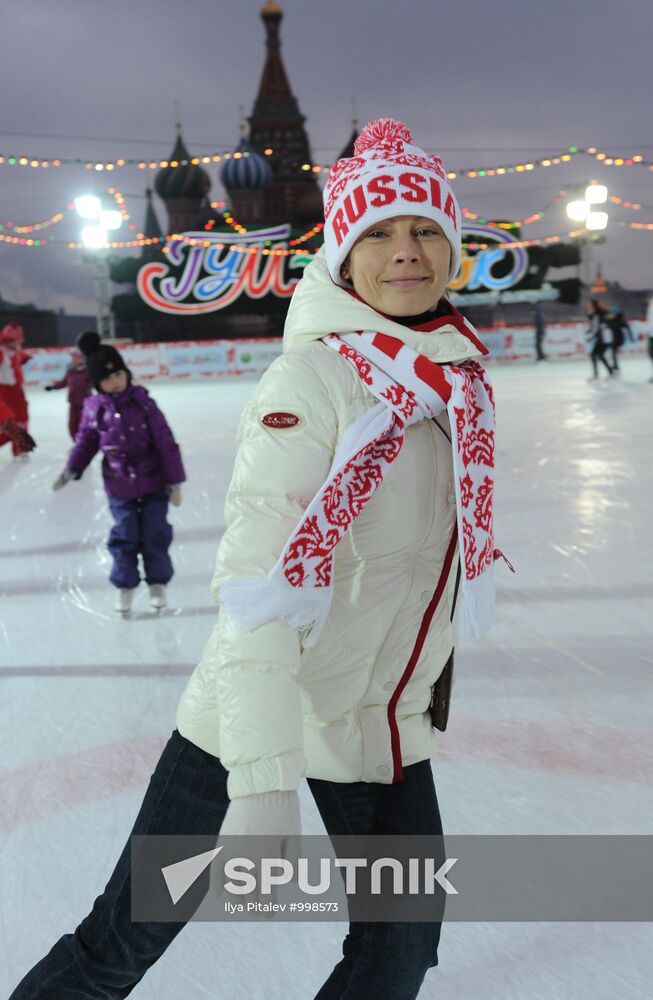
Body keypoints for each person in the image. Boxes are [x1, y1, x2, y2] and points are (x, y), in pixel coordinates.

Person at [10, 119, 502, 1000]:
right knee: (121, 944)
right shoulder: (310, 383)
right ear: (343, 257)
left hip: (375, 725)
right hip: (248, 716)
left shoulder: (453, 387)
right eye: (378, 232)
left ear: (453, 247)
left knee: (398, 953)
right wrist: (263, 782)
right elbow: (260, 597)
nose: (406, 251)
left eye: (425, 228)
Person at [50, 331, 186, 613]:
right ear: (97, 383)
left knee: (156, 534)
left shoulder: (144, 403)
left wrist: (175, 481)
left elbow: (165, 440)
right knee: (125, 535)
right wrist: (71, 469)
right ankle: (125, 586)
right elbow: (85, 442)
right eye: (107, 378)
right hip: (118, 484)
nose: (115, 381)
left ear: (126, 373)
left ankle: (157, 583)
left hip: (153, 482)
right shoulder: (94, 409)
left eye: (119, 374)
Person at [0, 319, 32, 459]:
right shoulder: (2, 352)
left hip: (16, 389)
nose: (18, 344)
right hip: (6, 390)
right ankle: (20, 447)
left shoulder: (13, 351)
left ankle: (20, 447)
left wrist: (25, 358)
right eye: (14, 340)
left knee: (22, 418)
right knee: (11, 420)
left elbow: (19, 358)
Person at [45, 347, 92, 439]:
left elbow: (96, 384)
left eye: (75, 358)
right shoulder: (71, 371)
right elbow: (64, 382)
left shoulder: (87, 372)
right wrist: (52, 387)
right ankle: (77, 443)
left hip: (84, 404)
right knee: (73, 425)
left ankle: (85, 443)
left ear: (82, 359)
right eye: (72, 358)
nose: (73, 360)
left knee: (84, 424)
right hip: (73, 402)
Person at [585, 298, 614, 380]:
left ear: (592, 305)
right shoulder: (596, 312)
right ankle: (610, 372)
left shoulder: (596, 313)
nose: (587, 305)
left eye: (589, 304)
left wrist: (591, 336)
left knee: (594, 354)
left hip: (604, 337)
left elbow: (596, 326)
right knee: (599, 355)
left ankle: (597, 375)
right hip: (604, 336)